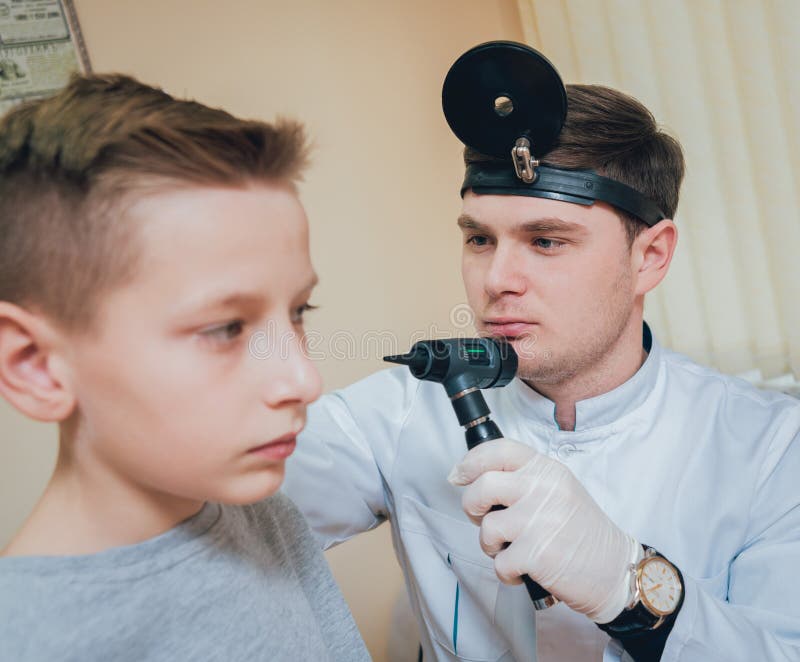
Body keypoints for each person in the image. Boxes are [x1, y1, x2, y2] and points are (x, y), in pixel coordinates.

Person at [283, 80, 800, 659]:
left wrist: (629, 588)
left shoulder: (774, 448)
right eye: (479, 238)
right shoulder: (397, 412)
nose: (497, 279)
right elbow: (214, 514)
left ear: (649, 257)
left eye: (547, 241)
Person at [0, 74, 370, 662]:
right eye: (225, 328)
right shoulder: (28, 641)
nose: (303, 380)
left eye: (298, 311)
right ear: (36, 366)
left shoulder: (265, 517)